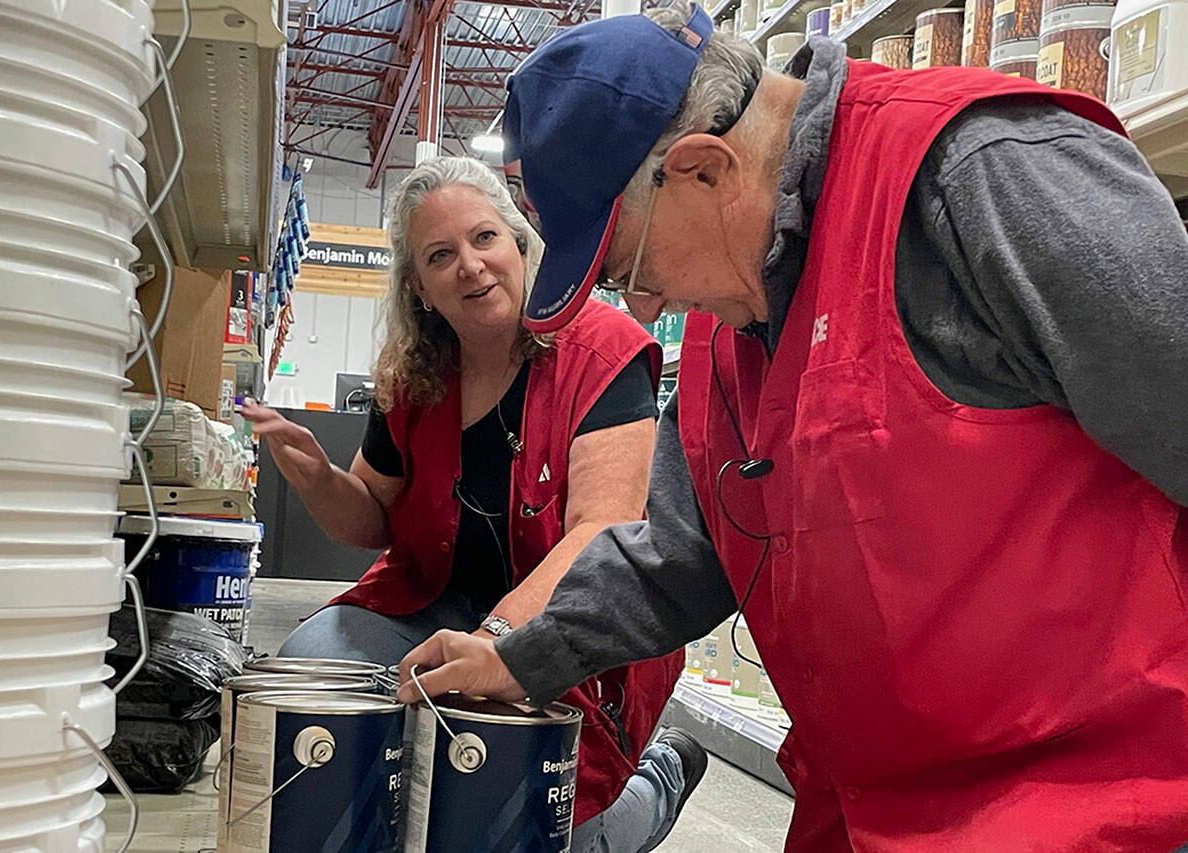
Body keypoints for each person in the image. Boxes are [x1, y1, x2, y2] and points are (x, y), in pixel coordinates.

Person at [397, 5, 1188, 850]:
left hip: (1099, 807)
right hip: (863, 810)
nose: (645, 304)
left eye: (631, 265)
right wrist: (517, 654)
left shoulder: (982, 179)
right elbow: (680, 556)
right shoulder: (731, 317)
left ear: (703, 169)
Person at [242, 157, 705, 852]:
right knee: (322, 674)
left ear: (521, 244)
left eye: (484, 238)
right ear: (420, 288)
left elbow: (602, 530)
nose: (469, 264)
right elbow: (368, 517)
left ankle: (659, 781)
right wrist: (315, 477)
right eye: (440, 255)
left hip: (574, 631)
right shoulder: (414, 378)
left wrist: (496, 645)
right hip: (432, 605)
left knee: (536, 820)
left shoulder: (601, 352)